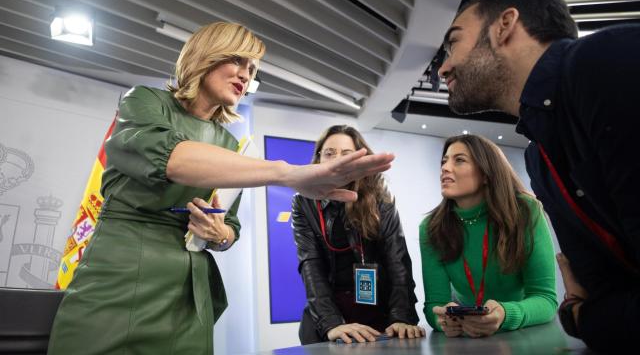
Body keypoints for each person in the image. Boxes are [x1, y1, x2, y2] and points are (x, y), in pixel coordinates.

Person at [47, 23, 394, 355]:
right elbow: (172, 158)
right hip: (119, 277)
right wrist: (286, 173)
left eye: (253, 69)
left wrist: (218, 233)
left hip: (188, 292)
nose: (246, 74)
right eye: (238, 60)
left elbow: (231, 230)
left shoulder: (231, 144)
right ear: (205, 55)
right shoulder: (144, 102)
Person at [437, 0, 640, 351]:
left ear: (504, 25)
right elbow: (598, 290)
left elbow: (587, 309)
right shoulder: (540, 160)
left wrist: (585, 318)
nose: (443, 67)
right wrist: (590, 314)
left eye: (454, 41)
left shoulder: (608, 61)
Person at [292, 125, 424, 344]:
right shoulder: (303, 201)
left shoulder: (380, 197)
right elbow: (310, 264)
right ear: (317, 160)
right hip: (329, 315)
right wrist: (331, 323)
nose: (337, 160)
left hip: (378, 315)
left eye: (347, 154)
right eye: (329, 153)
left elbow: (397, 260)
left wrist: (402, 317)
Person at [420, 134, 557, 338]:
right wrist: (443, 320)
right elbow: (435, 305)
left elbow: (545, 299)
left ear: (486, 174)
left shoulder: (526, 210)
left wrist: (506, 314)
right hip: (466, 339)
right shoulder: (430, 227)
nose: (445, 168)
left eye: (459, 160)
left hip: (523, 337)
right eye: (444, 161)